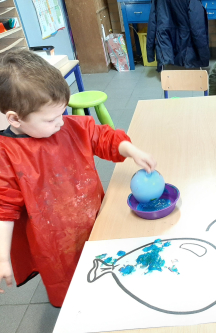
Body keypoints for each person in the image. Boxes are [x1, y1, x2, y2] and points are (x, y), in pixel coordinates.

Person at [0, 49, 157, 307]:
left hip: (94, 222)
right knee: (71, 293)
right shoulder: (7, 154)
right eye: (51, 119)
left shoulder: (71, 126)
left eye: (62, 113)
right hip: (54, 245)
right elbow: (4, 210)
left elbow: (103, 137)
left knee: (107, 276)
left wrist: (132, 151)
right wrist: (3, 257)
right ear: (15, 119)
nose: (61, 123)